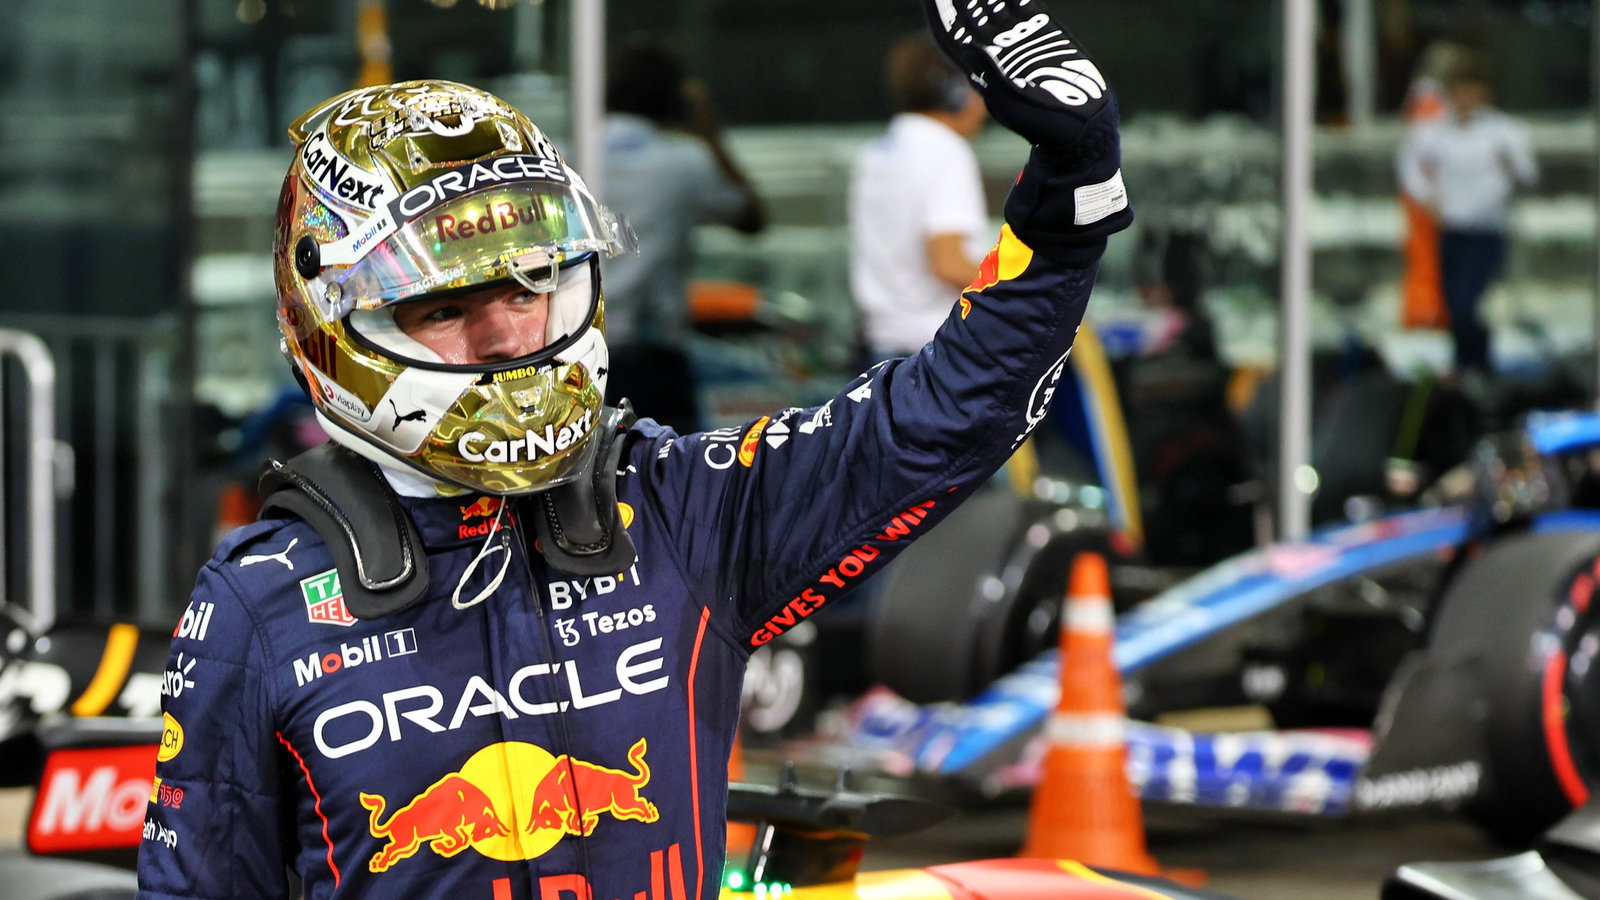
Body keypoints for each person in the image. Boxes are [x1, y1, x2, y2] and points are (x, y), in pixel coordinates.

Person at [135, 0, 1131, 894]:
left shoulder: (673, 511)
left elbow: (936, 417)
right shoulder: (259, 602)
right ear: (332, 326)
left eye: (530, 282)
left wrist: (1071, 191)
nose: (509, 334)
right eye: (446, 305)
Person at [601, 38, 766, 433]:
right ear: (673, 99)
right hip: (655, 354)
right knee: (673, 479)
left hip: (586, 347)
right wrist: (708, 129)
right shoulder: (686, 161)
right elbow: (752, 218)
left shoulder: (570, 150)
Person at [848, 33, 989, 362]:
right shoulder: (945, 150)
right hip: (933, 352)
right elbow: (949, 263)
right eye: (978, 86)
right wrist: (1028, 296)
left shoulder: (878, 152)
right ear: (953, 93)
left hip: (882, 348)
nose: (984, 103)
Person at [1397, 58, 1537, 380]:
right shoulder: (1434, 132)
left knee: (1465, 302)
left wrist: (1511, 164)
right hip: (1453, 228)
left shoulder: (1503, 130)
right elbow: (1409, 168)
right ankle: (1467, 364)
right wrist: (1426, 199)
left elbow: (1527, 174)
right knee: (1452, 305)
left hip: (1487, 229)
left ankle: (1478, 360)